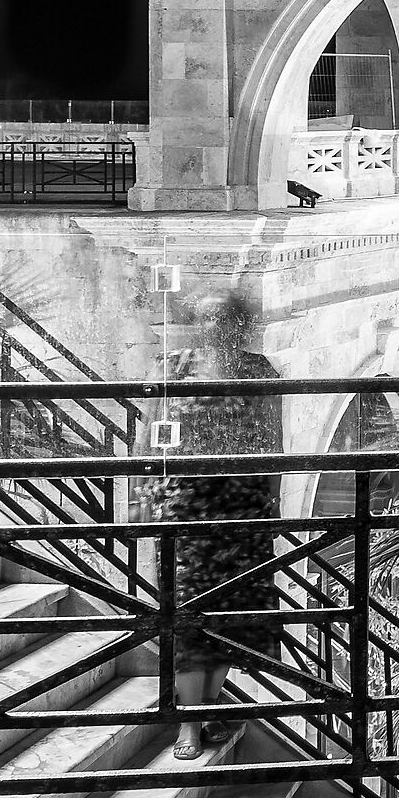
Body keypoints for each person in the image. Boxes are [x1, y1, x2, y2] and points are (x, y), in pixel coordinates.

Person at [154, 293, 283, 760]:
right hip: (188, 511)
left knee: (231, 615)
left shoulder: (259, 370)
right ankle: (188, 725)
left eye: (226, 317)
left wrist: (273, 502)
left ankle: (208, 710)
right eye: (209, 316)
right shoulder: (174, 367)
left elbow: (273, 439)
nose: (217, 324)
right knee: (189, 618)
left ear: (239, 323)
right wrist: (142, 498)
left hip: (242, 508)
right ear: (198, 321)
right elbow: (151, 434)